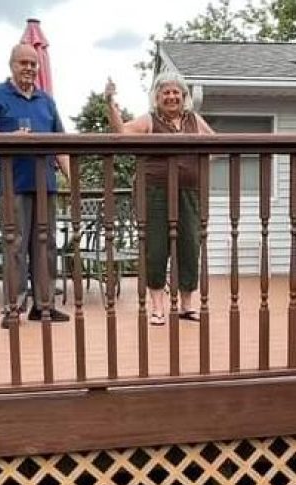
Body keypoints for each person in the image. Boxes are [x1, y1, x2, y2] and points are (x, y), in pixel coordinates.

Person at [104, 71, 214, 325]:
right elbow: (121, 132)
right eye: (166, 92)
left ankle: (186, 306)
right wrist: (110, 104)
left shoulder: (194, 120)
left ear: (183, 96)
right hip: (154, 192)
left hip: (189, 192)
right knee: (155, 248)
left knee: (189, 246)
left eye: (176, 92)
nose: (171, 96)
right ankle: (158, 308)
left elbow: (216, 143)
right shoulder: (150, 120)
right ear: (157, 97)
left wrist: (199, 158)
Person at [0, 43, 71, 327]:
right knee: (15, 245)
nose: (29, 68)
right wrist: (9, 138)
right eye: (23, 63)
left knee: (46, 245)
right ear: (11, 65)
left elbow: (62, 143)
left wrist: (70, 179)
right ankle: (13, 308)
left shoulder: (46, 101)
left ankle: (44, 306)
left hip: (46, 185)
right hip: (13, 183)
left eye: (33, 63)